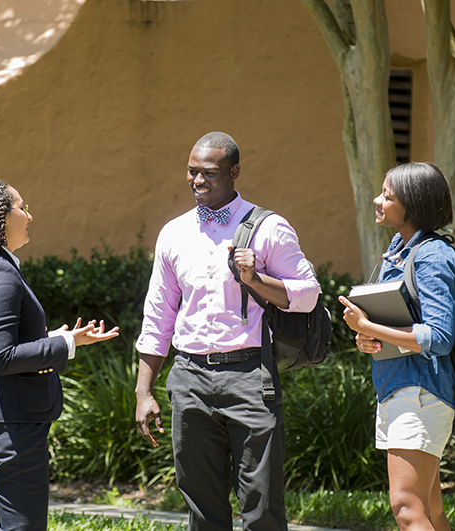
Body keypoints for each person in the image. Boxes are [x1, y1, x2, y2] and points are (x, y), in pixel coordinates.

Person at [134, 132, 319, 531]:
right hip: (189, 377)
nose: (198, 181)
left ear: (234, 172)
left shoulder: (269, 227)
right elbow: (158, 317)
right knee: (201, 505)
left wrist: (256, 279)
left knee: (262, 506)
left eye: (210, 173)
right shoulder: (174, 233)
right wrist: (143, 390)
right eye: (192, 171)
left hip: (251, 376)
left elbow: (307, 295)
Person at [0, 180, 119, 531]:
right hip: (10, 422)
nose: (29, 215)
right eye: (22, 207)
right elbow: (2, 355)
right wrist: (67, 345)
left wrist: (58, 336)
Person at [339, 162, 455, 531]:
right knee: (429, 510)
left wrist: (369, 325)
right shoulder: (400, 249)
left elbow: (438, 337)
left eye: (388, 196)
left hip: (420, 393)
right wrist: (369, 337)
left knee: (407, 509)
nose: (377, 201)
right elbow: (400, 321)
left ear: (414, 204)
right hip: (401, 389)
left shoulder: (432, 255)